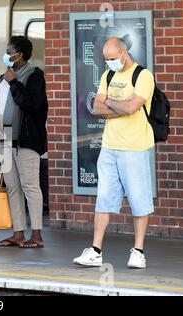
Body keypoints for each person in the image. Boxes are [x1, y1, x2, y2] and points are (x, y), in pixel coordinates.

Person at [73, 37, 155, 269]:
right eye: (106, 59)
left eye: (112, 58)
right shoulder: (108, 75)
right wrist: (120, 105)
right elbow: (97, 107)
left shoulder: (143, 76)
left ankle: (138, 251)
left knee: (139, 200)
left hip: (135, 147)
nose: (109, 63)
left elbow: (132, 107)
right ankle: (95, 251)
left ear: (124, 53)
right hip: (109, 147)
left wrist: (113, 104)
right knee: (104, 199)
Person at [0, 36, 48, 248]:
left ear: (20, 54)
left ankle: (36, 235)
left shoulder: (34, 76)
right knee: (13, 187)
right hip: (4, 139)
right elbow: (0, 106)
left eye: (9, 51)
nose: (7, 55)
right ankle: (18, 233)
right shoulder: (4, 77)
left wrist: (14, 82)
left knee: (30, 186)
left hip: (25, 140)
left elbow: (31, 103)